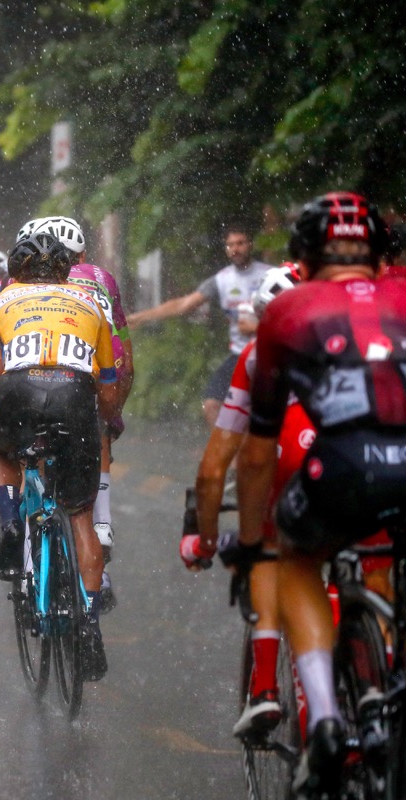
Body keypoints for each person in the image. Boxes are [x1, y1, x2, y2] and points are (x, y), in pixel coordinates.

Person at [236, 192, 406, 797]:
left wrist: (251, 543)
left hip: (345, 465)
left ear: (302, 260)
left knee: (295, 559)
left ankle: (329, 719)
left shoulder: (290, 312)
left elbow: (255, 451)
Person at [0, 232, 120, 681]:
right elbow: (109, 385)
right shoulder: (92, 304)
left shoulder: (2, 300)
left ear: (17, 271)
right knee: (80, 512)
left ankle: (10, 522)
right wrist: (107, 422)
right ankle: (88, 620)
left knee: (2, 452)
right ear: (66, 270)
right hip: (73, 393)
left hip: (18, 389)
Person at [182, 264, 305, 736]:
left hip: (291, 463)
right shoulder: (364, 336)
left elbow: (217, 468)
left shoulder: (257, 356)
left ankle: (265, 690)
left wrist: (208, 540)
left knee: (267, 558)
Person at [15, 216, 134, 608]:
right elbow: (123, 357)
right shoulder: (102, 279)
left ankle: (30, 568)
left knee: (28, 460)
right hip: (93, 376)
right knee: (93, 445)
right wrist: (112, 415)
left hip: (37, 378)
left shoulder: (21, 280)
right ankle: (103, 523)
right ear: (81, 255)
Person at [130, 225, 272, 426]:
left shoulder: (271, 276)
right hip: (240, 355)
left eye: (240, 243)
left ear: (250, 245)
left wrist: (258, 328)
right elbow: (184, 304)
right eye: (230, 244)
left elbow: (294, 315)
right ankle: (226, 454)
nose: (235, 249)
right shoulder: (222, 280)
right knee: (211, 405)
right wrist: (143, 317)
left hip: (271, 355)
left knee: (266, 412)